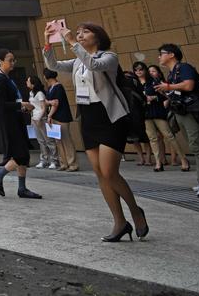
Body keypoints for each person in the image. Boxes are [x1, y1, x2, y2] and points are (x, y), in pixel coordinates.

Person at [44, 22, 147, 241]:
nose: (80, 35)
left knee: (110, 172)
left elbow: (93, 64)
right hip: (88, 118)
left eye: (85, 32)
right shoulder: (77, 61)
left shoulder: (109, 57)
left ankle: (136, 211)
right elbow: (54, 65)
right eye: (78, 32)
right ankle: (119, 222)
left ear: (98, 37)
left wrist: (71, 41)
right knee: (100, 173)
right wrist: (47, 43)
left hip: (109, 117)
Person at [155, 43, 199, 198]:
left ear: (172, 54)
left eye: (162, 53)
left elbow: (188, 85)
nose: (159, 56)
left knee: (198, 146)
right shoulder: (172, 73)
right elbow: (177, 90)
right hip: (181, 112)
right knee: (196, 146)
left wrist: (168, 86)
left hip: (192, 112)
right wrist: (167, 95)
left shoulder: (184, 67)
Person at [0, 49, 41, 199]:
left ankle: (22, 188)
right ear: (0, 61)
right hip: (9, 121)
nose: (13, 63)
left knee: (24, 155)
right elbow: (1, 104)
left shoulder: (6, 77)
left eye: (14, 60)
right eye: (10, 60)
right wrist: (21, 105)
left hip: (15, 118)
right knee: (20, 154)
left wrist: (22, 106)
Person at [145, 64, 190, 172]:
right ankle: (158, 162)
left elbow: (168, 95)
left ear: (159, 73)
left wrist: (155, 97)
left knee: (169, 135)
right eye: (149, 71)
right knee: (153, 138)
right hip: (146, 113)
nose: (151, 73)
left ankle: (183, 159)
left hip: (158, 112)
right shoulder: (140, 84)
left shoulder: (158, 82)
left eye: (153, 71)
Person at [43, 69, 78, 171]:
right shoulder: (50, 88)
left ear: (47, 77)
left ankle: (72, 163)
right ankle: (63, 163)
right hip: (54, 117)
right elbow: (49, 102)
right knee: (58, 141)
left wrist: (49, 114)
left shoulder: (58, 87)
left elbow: (56, 103)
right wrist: (50, 103)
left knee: (66, 140)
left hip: (62, 117)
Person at [27, 75, 58, 169]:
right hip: (35, 118)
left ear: (33, 83)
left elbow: (43, 108)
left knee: (49, 140)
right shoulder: (31, 93)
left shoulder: (40, 93)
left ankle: (54, 160)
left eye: (28, 81)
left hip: (41, 119)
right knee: (40, 141)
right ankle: (44, 160)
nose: (26, 82)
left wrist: (39, 118)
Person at [125, 66, 150, 166]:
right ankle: (142, 158)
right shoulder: (124, 87)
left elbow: (142, 98)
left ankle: (147, 159)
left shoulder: (136, 83)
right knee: (135, 138)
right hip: (130, 113)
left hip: (139, 113)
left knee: (145, 137)